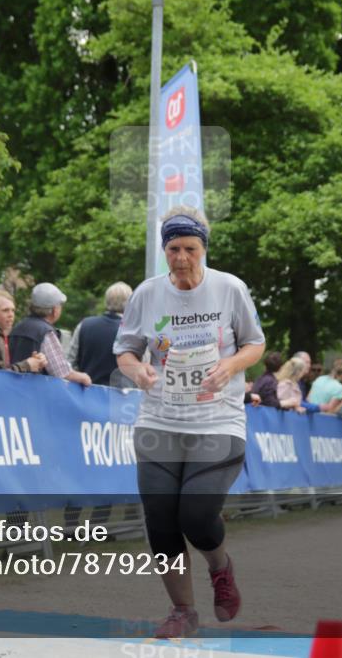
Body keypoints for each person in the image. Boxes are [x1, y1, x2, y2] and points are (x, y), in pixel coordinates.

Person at [113, 206, 265, 638]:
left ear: (204, 248)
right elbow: (124, 350)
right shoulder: (146, 293)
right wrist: (136, 370)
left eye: (190, 249)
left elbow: (255, 343)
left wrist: (231, 365)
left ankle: (221, 568)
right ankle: (183, 610)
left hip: (218, 421)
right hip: (160, 417)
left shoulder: (229, 289)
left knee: (196, 517)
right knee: (160, 520)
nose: (181, 258)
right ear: (165, 249)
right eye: (173, 248)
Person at [9, 282, 92, 386]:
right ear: (54, 310)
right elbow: (62, 373)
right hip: (35, 393)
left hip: (12, 389)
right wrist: (84, 378)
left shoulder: (17, 327)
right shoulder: (46, 332)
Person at [67, 281, 133, 386]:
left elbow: (69, 362)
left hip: (86, 393)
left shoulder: (84, 325)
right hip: (120, 398)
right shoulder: (131, 331)